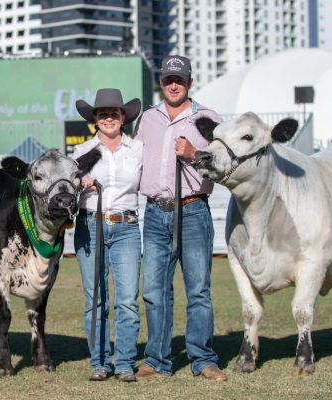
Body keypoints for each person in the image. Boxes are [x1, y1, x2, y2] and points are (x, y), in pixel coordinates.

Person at [133, 56, 227, 381]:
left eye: (180, 80)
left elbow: (224, 166)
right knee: (154, 290)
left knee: (198, 290)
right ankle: (157, 360)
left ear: (190, 82)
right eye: (168, 80)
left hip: (193, 210)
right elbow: (133, 161)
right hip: (155, 212)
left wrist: (193, 155)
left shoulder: (209, 119)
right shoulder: (147, 119)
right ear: (161, 82)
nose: (174, 85)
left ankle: (203, 360)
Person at [72, 88, 143, 382]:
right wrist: (79, 183)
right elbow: (66, 192)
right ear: (95, 119)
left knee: (127, 300)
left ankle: (124, 363)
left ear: (123, 117)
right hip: (90, 225)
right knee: (95, 299)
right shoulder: (80, 153)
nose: (109, 118)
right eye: (103, 114)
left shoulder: (137, 149)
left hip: (126, 227)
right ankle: (99, 362)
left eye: (114, 113)